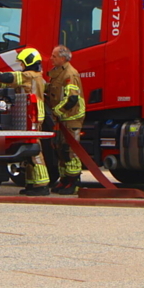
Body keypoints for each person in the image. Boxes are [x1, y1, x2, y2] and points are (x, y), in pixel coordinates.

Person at [0, 48, 51, 196]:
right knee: (28, 151)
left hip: (33, 117)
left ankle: (42, 185)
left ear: (29, 61)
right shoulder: (34, 77)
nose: (21, 65)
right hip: (31, 116)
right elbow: (10, 85)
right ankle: (32, 183)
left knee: (35, 152)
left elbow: (8, 77)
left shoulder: (29, 75)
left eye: (22, 62)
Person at [46, 44, 86, 194]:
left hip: (71, 118)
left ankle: (74, 182)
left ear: (63, 58)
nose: (51, 59)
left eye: (54, 56)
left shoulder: (70, 74)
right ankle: (64, 180)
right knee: (60, 150)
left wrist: (57, 111)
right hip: (62, 119)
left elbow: (72, 98)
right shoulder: (58, 73)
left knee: (70, 151)